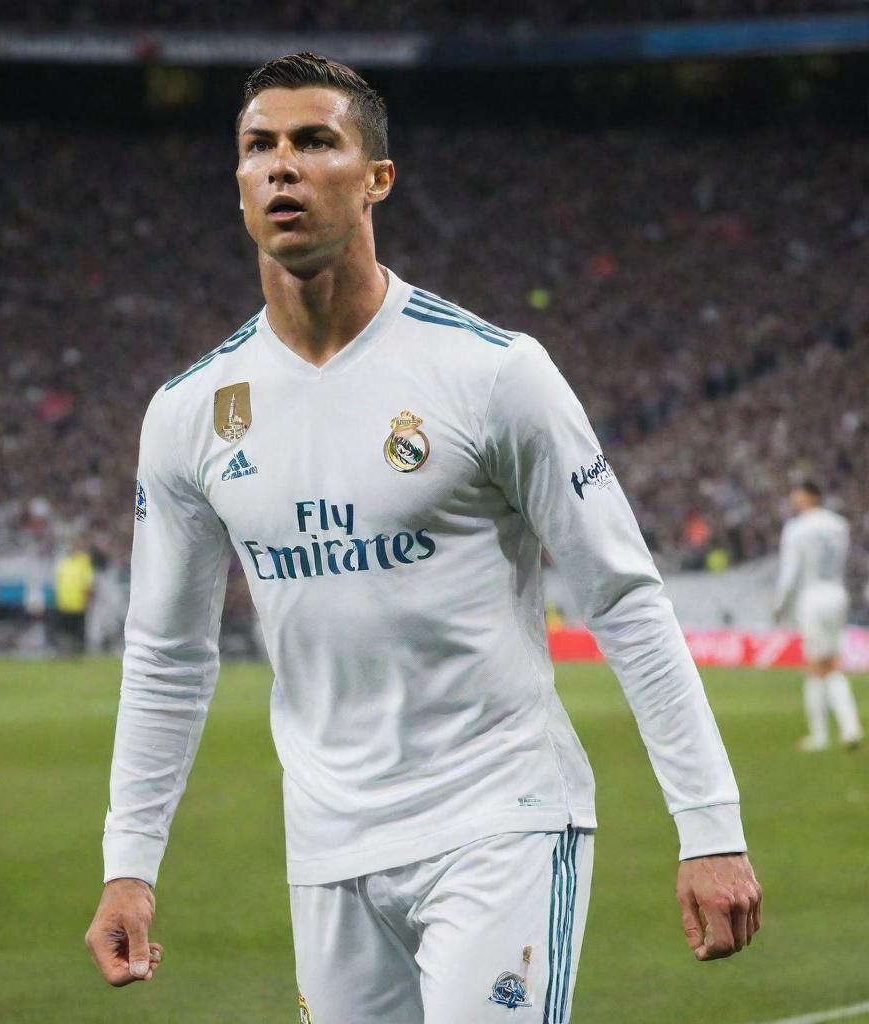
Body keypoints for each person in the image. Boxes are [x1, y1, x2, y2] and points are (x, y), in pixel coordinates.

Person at [85, 53, 762, 1022]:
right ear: (235, 183)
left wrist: (710, 826)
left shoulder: (492, 374)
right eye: (258, 147)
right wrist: (128, 864)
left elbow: (622, 598)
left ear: (375, 179)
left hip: (501, 820)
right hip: (327, 845)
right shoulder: (190, 413)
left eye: (315, 142)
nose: (283, 166)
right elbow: (167, 651)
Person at [773, 481, 863, 752]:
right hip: (837, 593)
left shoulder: (797, 528)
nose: (793, 499)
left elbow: (790, 572)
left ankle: (830, 733)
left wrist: (779, 605)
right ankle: (843, 729)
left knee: (816, 665)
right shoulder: (839, 525)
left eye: (797, 494)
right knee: (831, 663)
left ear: (809, 496)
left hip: (812, 597)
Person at [53, 547, 94, 656]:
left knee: (77, 631)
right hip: (64, 604)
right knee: (66, 631)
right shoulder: (64, 563)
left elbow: (87, 583)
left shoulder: (83, 562)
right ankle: (66, 652)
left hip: (78, 605)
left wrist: (87, 600)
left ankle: (77, 652)